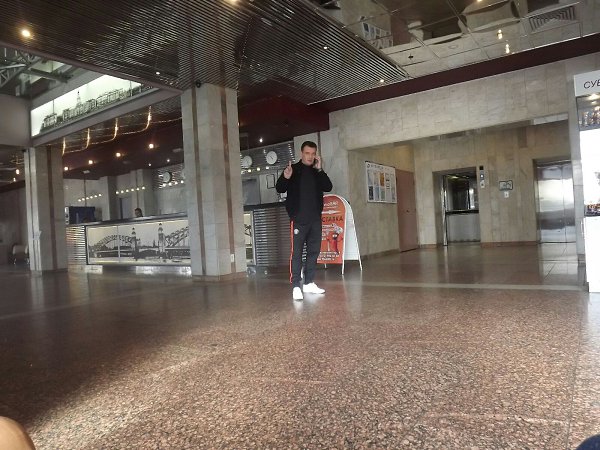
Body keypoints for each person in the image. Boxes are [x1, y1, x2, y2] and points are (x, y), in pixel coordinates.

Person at [276, 141, 333, 301]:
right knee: (297, 253)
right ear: (302, 153)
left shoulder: (316, 171)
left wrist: (320, 169)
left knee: (313, 252)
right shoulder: (293, 169)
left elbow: (328, 187)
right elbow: (280, 188)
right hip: (299, 219)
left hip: (315, 219)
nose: (310, 156)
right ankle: (296, 285)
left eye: (313, 154)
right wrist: (285, 177)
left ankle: (308, 283)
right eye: (307, 153)